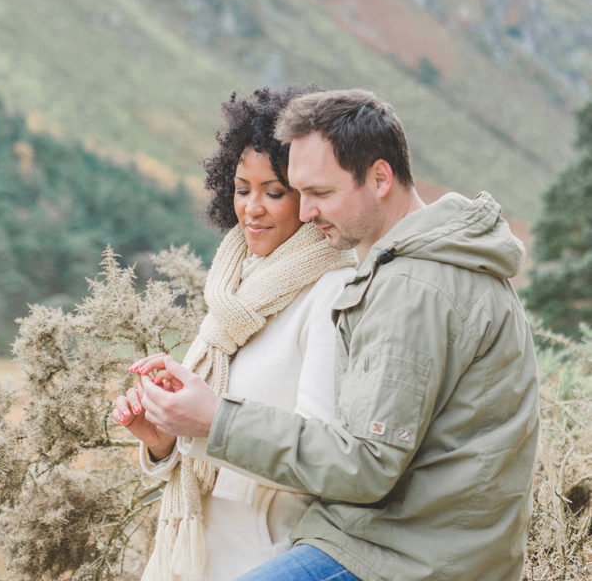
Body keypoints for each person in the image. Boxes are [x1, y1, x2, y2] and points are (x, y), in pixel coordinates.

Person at [133, 88, 540, 581]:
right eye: (300, 193)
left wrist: (216, 420)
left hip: (402, 556)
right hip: (388, 539)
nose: (305, 213)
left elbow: (365, 465)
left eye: (320, 194)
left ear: (380, 177)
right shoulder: (409, 269)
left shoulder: (413, 287)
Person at [113, 86, 356, 581]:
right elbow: (205, 443)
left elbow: (322, 458)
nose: (253, 209)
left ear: (309, 199)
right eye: (243, 189)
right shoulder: (233, 290)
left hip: (269, 559)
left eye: (274, 192)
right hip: (193, 554)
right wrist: (163, 439)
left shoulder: (332, 293)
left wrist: (206, 422)